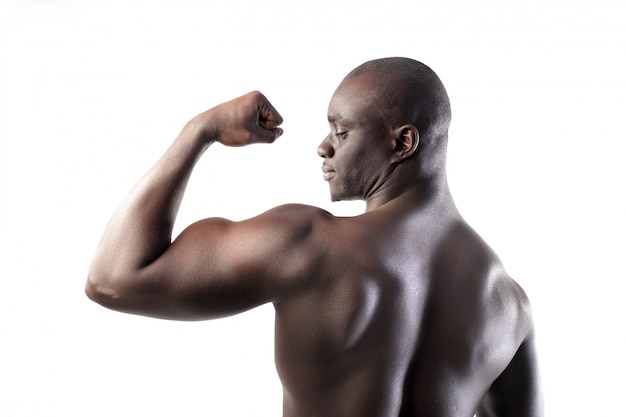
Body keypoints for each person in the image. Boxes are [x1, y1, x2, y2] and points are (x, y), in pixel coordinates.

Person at [86, 57, 542, 417]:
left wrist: (200, 129)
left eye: (341, 131)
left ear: (403, 143)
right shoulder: (508, 305)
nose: (324, 146)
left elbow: (113, 279)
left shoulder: (310, 244)